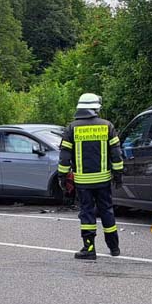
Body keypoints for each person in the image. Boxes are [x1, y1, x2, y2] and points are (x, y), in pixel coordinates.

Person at [58, 92, 124, 260]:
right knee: (107, 211)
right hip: (103, 180)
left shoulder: (71, 128)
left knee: (87, 214)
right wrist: (118, 175)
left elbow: (65, 157)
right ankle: (114, 247)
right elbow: (116, 154)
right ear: (95, 109)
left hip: (83, 182)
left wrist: (62, 177)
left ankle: (89, 249)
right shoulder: (107, 126)